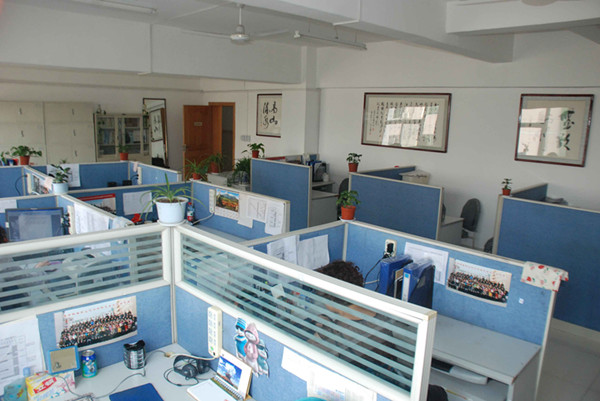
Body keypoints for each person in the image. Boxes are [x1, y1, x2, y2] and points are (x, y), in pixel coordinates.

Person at [314, 260, 448, 401]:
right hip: (393, 389)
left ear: (330, 299)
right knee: (438, 393)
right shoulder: (387, 318)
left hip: (364, 392)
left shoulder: (334, 333)